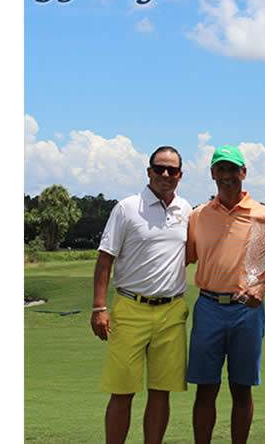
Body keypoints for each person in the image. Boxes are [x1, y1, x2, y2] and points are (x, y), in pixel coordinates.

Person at [186, 145, 265, 444]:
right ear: (212, 174)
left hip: (246, 310)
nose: (227, 176)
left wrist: (262, 285)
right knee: (205, 388)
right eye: (221, 169)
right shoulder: (199, 216)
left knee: (241, 388)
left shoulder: (263, 216)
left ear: (244, 173)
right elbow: (186, 257)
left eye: (233, 169)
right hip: (208, 306)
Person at [90, 146, 193, 444]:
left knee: (161, 392)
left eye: (171, 170)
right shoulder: (127, 208)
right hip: (130, 307)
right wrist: (99, 307)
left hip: (171, 311)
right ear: (148, 171)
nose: (165, 174)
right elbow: (105, 259)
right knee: (122, 391)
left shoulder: (186, 210)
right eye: (159, 168)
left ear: (180, 175)